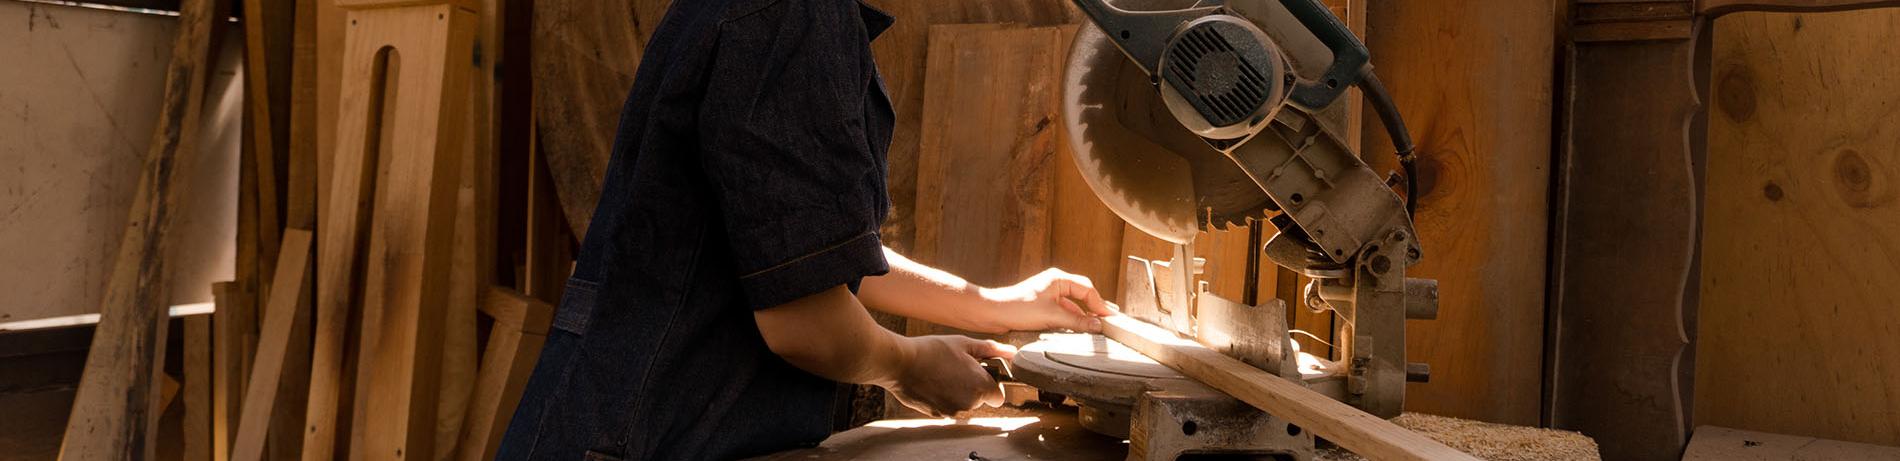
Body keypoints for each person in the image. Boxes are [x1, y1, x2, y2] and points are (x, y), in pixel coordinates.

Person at [494, 0, 1113, 459]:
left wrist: (987, 305)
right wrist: (908, 365)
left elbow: (799, 252)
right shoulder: (792, 18)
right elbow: (804, 324)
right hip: (650, 434)